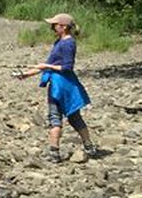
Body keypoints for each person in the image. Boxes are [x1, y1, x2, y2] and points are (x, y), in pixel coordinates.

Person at [13, 12, 97, 163]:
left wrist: (46, 65)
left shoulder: (68, 43)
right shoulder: (60, 41)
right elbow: (47, 66)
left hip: (62, 85)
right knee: (73, 117)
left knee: (58, 117)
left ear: (63, 27)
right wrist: (25, 74)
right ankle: (86, 146)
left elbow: (67, 67)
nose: (52, 27)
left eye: (54, 25)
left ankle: (56, 152)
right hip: (62, 84)